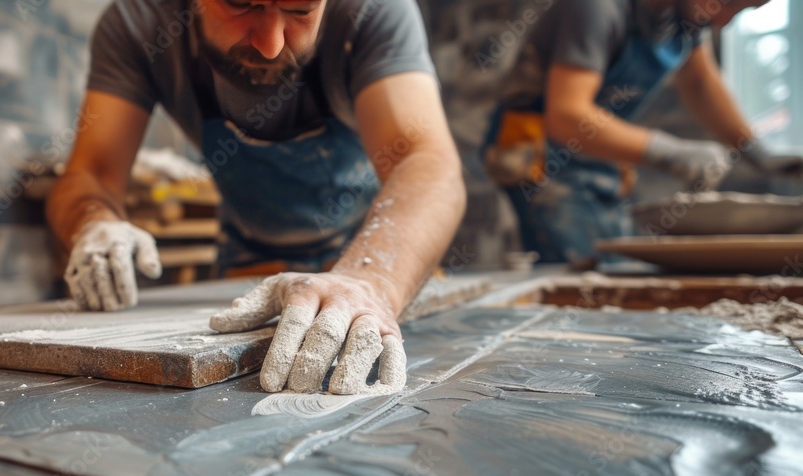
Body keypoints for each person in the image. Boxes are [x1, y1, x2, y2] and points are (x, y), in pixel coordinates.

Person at [45, 0, 466, 394]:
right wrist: (94, 220)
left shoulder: (372, 12)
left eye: (300, 9)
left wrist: (370, 280)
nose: (271, 44)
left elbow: (425, 161)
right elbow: (92, 174)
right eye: (242, 3)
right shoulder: (141, 22)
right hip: (249, 255)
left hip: (374, 246)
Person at [482, 0, 803, 267]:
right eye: (728, 3)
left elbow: (700, 83)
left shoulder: (686, 17)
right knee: (580, 272)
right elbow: (567, 116)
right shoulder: (597, 8)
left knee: (612, 263)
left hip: (597, 153)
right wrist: (671, 152)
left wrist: (758, 153)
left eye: (742, 10)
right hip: (540, 153)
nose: (724, 21)